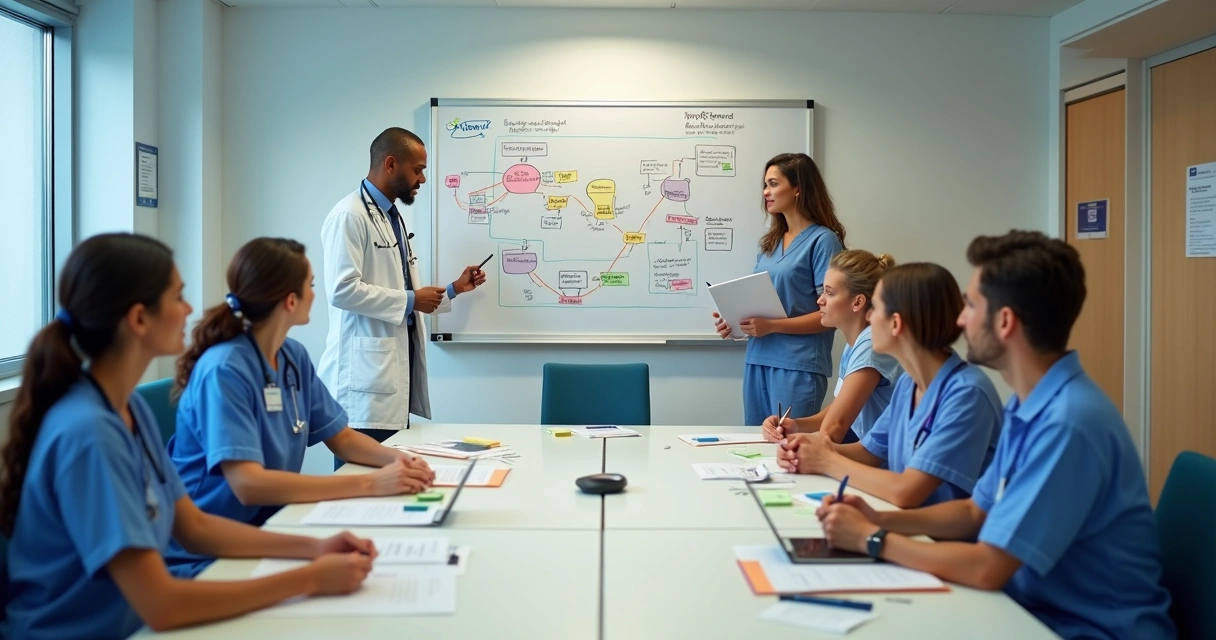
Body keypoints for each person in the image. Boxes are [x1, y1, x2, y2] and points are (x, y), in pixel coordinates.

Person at [1, 234, 376, 639]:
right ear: (139, 318)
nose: (190, 309)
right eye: (178, 296)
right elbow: (162, 604)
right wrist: (309, 580)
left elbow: (194, 525)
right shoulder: (90, 434)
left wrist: (315, 549)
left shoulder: (128, 409)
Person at [815, 231, 1174, 639]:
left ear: (1005, 322)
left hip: (1081, 628)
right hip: (1028, 610)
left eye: (971, 305)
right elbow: (975, 512)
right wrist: (879, 518)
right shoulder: (1031, 403)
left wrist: (873, 538)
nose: (961, 320)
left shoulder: (1068, 422)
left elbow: (988, 566)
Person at [166, 237, 435, 578]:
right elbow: (249, 485)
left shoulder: (292, 357)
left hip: (272, 527)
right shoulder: (225, 370)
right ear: (290, 300)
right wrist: (371, 484)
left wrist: (406, 462)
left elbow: (344, 440)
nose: (314, 294)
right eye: (309, 285)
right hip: (209, 550)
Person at [778, 262, 1002, 508]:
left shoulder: (966, 393)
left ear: (896, 323)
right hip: (904, 520)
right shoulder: (909, 383)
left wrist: (826, 460)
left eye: (876, 308)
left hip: (939, 537)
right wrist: (805, 448)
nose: (870, 317)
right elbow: (869, 452)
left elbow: (906, 491)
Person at [319, 127, 487, 449]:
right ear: (391, 164)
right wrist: (411, 300)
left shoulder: (392, 216)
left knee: (390, 488)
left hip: (392, 380)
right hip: (362, 390)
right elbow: (341, 290)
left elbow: (401, 288)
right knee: (360, 489)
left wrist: (453, 290)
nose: (422, 179)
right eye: (418, 170)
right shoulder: (349, 216)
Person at [713, 153, 846, 425]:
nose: (766, 192)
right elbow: (759, 305)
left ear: (798, 188)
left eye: (773, 184)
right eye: (765, 185)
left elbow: (831, 317)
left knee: (789, 451)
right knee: (755, 446)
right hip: (758, 360)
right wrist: (736, 325)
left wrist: (771, 326)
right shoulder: (770, 244)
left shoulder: (823, 241)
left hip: (798, 365)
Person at [761, 249, 901, 445]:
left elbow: (835, 427)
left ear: (858, 302)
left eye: (830, 292)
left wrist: (798, 447)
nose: (820, 300)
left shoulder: (871, 344)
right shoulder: (856, 342)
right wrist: (794, 425)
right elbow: (837, 409)